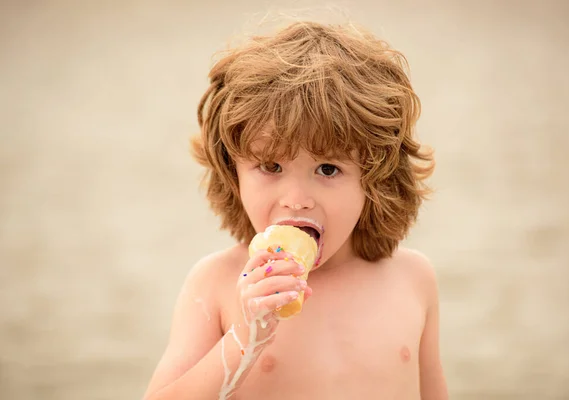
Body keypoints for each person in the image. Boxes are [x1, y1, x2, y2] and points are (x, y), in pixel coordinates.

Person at [144, 19, 448, 400]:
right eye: (271, 167)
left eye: (327, 169)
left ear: (375, 177)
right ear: (232, 173)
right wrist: (243, 340)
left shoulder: (413, 279)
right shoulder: (218, 285)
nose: (297, 198)